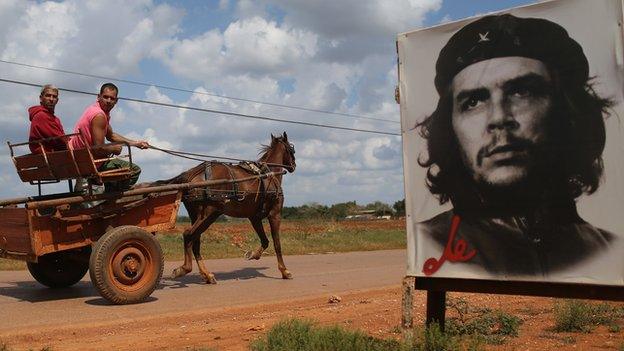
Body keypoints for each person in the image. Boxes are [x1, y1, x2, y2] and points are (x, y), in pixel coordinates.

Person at [415, 14, 618, 277]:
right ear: (449, 130)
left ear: (568, 112)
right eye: (474, 102)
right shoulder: (428, 241)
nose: (499, 118)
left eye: (522, 91)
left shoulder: (607, 249)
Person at [70, 83, 149, 192]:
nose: (108, 100)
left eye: (112, 98)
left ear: (116, 101)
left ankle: (109, 191)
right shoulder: (99, 116)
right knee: (134, 170)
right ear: (99, 96)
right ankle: (112, 199)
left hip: (83, 159)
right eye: (105, 97)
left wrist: (136, 143)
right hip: (91, 162)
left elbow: (111, 135)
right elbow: (98, 149)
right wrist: (115, 149)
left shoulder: (95, 110)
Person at [28, 85, 67, 153]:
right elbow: (59, 139)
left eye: (54, 96)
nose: (51, 99)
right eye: (48, 95)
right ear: (41, 98)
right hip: (49, 157)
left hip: (56, 155)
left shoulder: (55, 119)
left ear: (57, 100)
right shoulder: (41, 116)